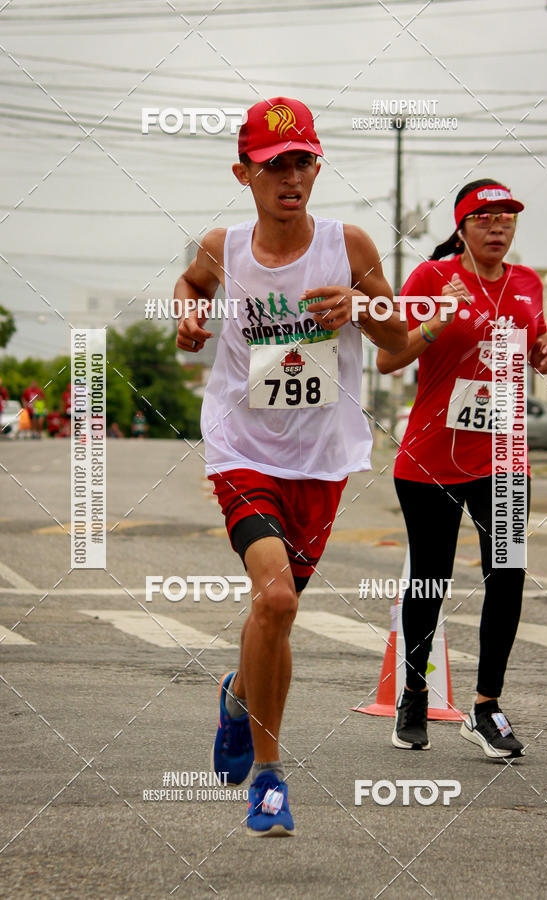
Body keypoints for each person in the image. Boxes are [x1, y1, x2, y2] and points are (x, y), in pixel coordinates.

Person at [175, 96, 406, 835]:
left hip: (321, 459)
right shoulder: (224, 247)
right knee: (276, 601)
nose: (291, 177)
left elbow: (400, 341)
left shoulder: (350, 246)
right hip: (242, 449)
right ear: (243, 172)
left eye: (303, 161)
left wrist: (361, 310)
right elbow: (193, 284)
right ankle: (270, 780)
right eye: (275, 164)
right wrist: (188, 312)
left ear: (316, 166)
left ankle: (239, 694)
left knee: (272, 615)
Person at [377, 179, 547, 759]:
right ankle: (413, 695)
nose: (498, 226)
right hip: (431, 457)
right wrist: (438, 320)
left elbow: (535, 346)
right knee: (430, 579)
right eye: (485, 217)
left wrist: (544, 355)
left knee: (507, 575)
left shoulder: (528, 284)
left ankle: (486, 707)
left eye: (507, 216)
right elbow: (387, 358)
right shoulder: (431, 279)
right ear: (461, 227)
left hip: (504, 459)